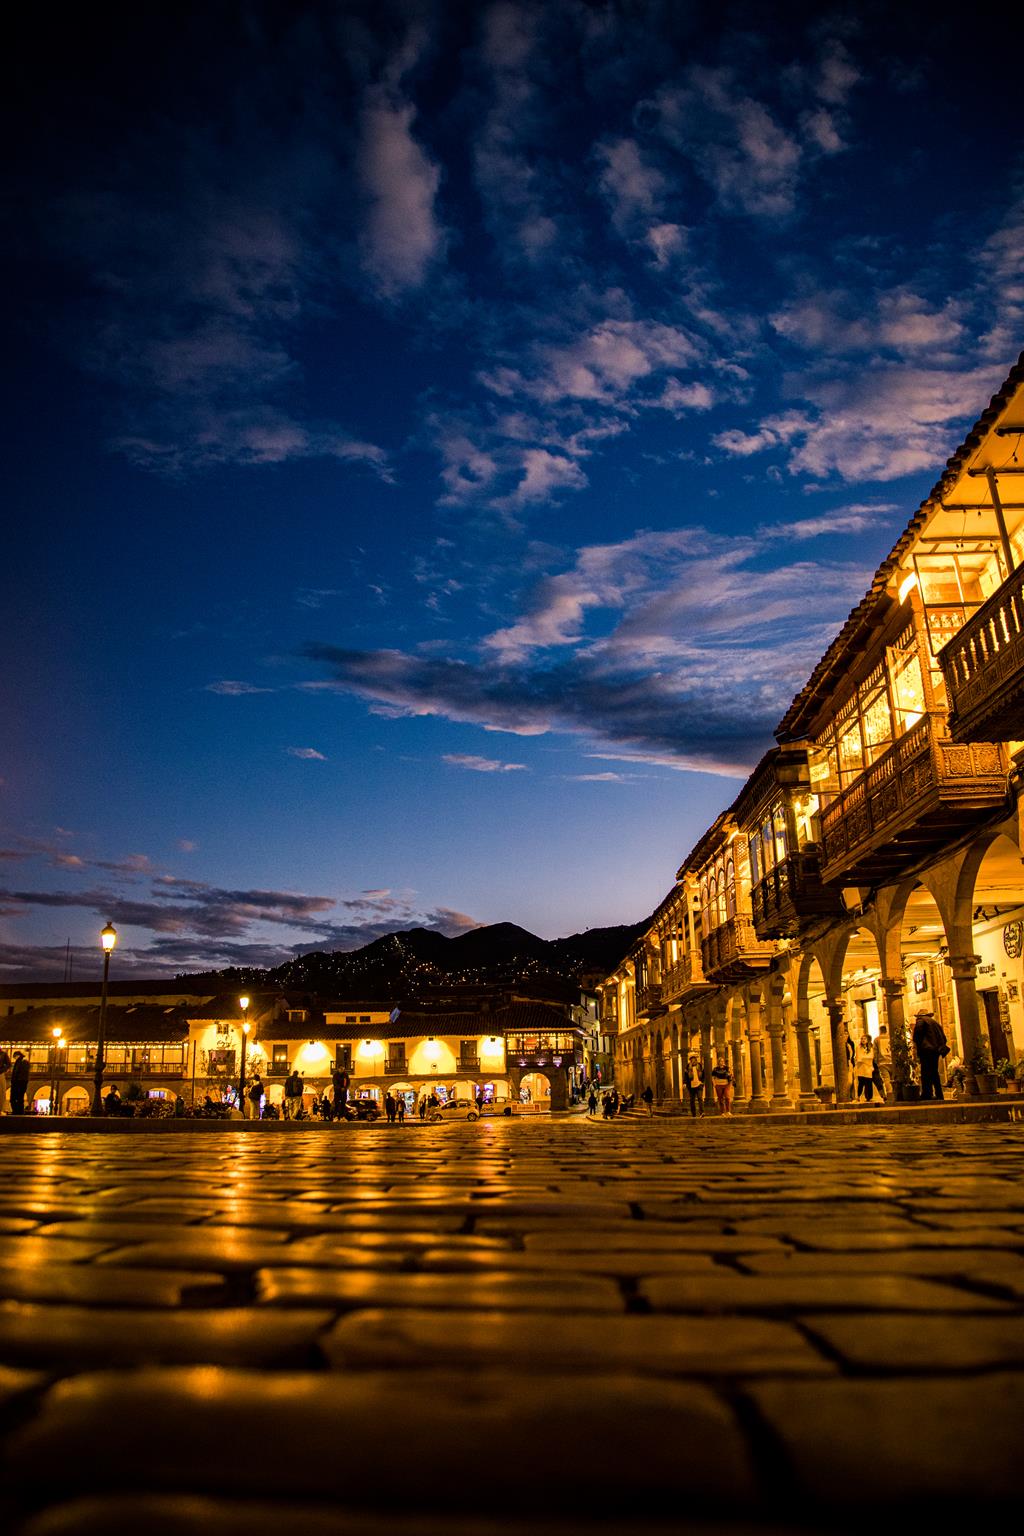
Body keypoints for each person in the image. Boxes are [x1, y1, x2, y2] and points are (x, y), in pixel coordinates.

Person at [913, 1007, 948, 1101]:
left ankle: (927, 1094)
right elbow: (944, 1038)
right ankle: (939, 1094)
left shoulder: (921, 1021)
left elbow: (917, 1035)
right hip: (935, 1051)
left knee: (925, 1073)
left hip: (926, 1050)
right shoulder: (935, 1023)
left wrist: (917, 1045)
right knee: (934, 1072)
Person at [854, 1031, 877, 1102]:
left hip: (868, 1068)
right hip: (861, 1068)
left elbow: (871, 1057)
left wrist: (864, 1059)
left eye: (864, 1039)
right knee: (861, 1083)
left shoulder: (870, 1048)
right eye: (862, 1039)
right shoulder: (858, 1047)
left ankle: (869, 1097)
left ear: (867, 1040)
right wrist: (865, 1058)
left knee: (869, 1083)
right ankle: (858, 1096)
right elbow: (859, 1058)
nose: (863, 1040)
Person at [684, 1053, 705, 1118]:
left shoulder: (700, 1065)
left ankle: (702, 1112)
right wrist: (684, 1083)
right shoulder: (688, 1066)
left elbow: (703, 1074)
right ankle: (694, 1114)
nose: (693, 1060)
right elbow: (685, 1076)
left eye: (694, 1059)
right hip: (691, 1086)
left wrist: (702, 1082)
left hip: (699, 1084)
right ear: (690, 1060)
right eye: (691, 1059)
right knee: (692, 1100)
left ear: (696, 1059)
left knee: (700, 1098)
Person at [844, 1028, 857, 1100]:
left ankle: (852, 1096)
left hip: (851, 1063)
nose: (845, 1035)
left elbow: (853, 1053)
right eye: (844, 1034)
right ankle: (846, 1095)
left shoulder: (851, 1043)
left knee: (852, 1080)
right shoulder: (842, 1044)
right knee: (849, 1081)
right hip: (845, 1064)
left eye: (847, 1034)